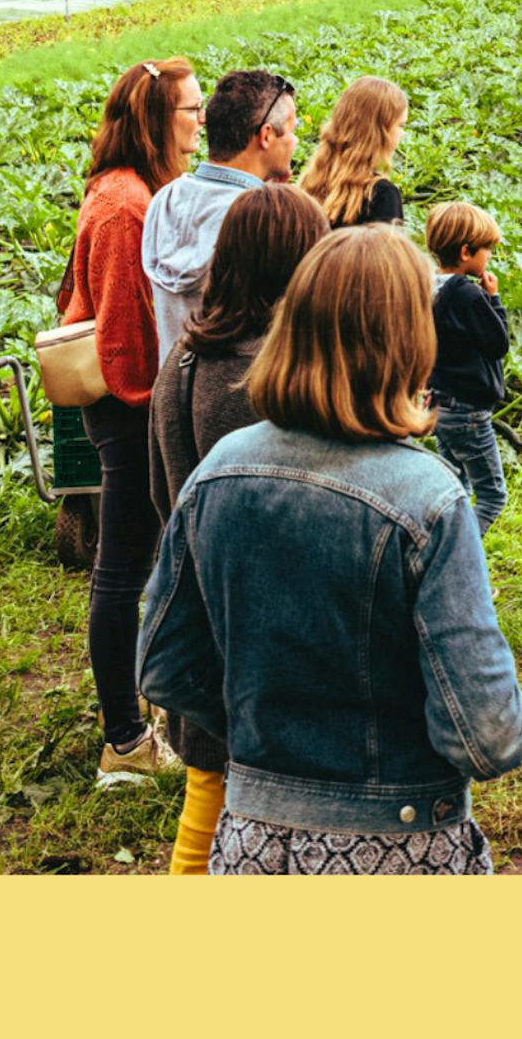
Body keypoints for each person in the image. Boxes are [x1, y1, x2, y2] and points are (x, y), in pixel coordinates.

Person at [139, 227, 522, 874]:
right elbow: (489, 734)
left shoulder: (217, 474)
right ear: (412, 339)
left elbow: (163, 665)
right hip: (398, 846)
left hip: (252, 843)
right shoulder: (427, 499)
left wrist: (270, 743)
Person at [147, 184, 330, 873]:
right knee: (237, 801)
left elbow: (162, 491)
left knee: (208, 790)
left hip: (202, 615)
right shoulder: (262, 380)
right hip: (260, 637)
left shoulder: (187, 358)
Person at [62, 57, 203, 786]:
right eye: (189, 110)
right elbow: (122, 333)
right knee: (122, 569)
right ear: (155, 119)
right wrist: (163, 407)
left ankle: (150, 716)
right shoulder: (124, 204)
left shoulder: (141, 191)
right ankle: (123, 737)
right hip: (131, 411)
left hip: (142, 407)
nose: (200, 121)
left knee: (142, 564)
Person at [141, 68, 299, 356]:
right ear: (265, 136)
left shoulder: (164, 200)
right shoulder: (258, 220)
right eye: (291, 130)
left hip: (173, 392)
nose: (295, 142)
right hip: (234, 396)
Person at [425, 201, 510, 536]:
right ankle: (459, 558)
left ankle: (438, 554)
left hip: (440, 406)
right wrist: (493, 299)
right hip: (469, 413)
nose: (488, 256)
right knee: (492, 496)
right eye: (486, 249)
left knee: (454, 490)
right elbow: (497, 343)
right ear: (465, 252)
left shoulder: (431, 286)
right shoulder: (466, 294)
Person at [299, 75, 407, 227]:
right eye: (400, 125)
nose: (402, 134)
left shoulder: (309, 185)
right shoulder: (381, 194)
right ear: (379, 131)